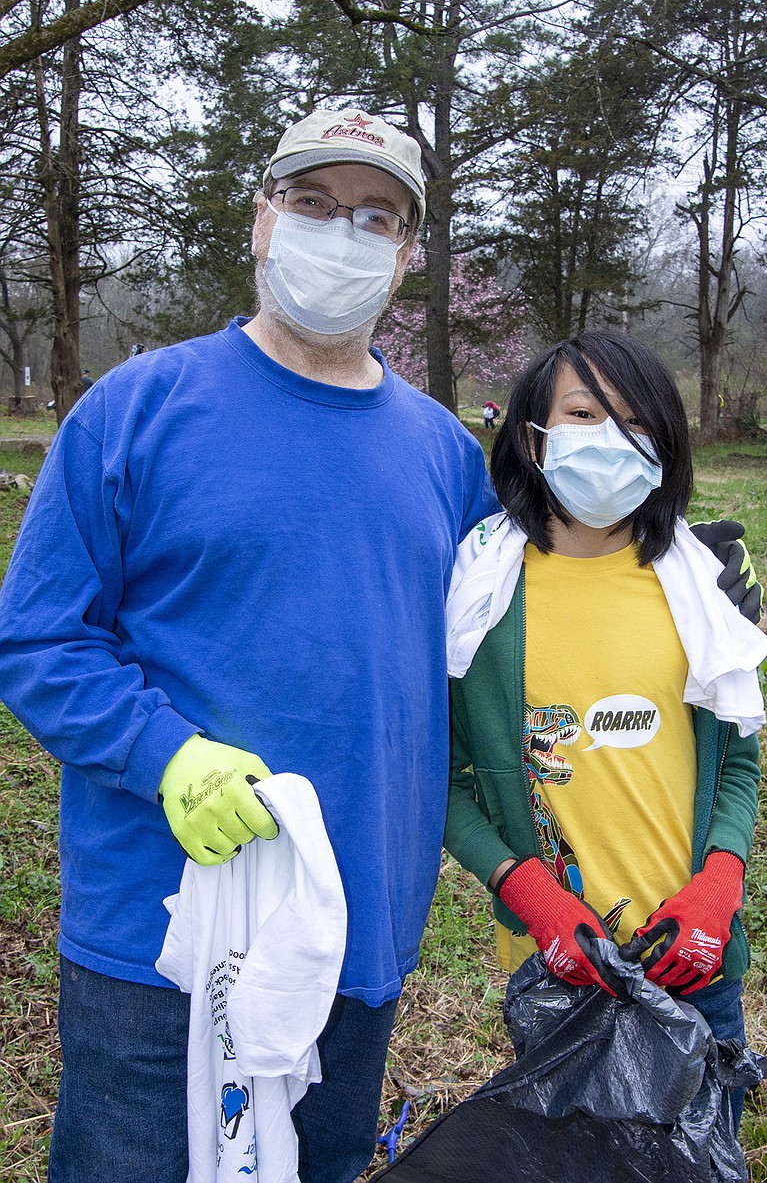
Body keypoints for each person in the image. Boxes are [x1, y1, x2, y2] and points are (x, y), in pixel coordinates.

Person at [0, 108, 497, 1183]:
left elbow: (500, 644)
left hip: (352, 924)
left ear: (405, 258)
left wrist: (652, 566)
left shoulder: (442, 455)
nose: (340, 233)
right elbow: (39, 638)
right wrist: (162, 752)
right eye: (311, 204)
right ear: (261, 221)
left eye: (376, 216)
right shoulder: (137, 410)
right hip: (161, 929)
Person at [444, 330, 767, 1133]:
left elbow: (736, 762)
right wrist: (531, 897)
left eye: (634, 422)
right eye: (584, 413)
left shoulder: (701, 585)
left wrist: (717, 889)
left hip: (692, 957)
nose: (609, 440)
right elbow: (445, 779)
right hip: (556, 969)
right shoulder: (479, 592)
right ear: (534, 436)